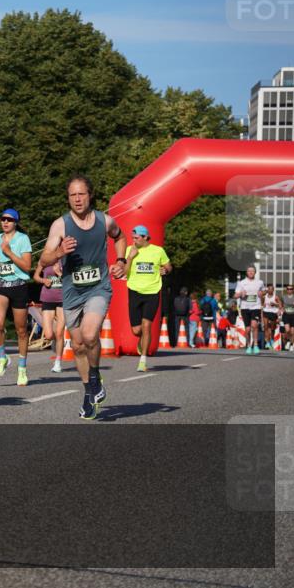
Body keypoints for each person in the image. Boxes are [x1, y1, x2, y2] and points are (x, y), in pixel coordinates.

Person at [39, 175, 127, 420]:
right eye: (72, 195)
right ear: (68, 199)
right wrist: (59, 252)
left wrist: (121, 261)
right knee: (77, 347)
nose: (77, 199)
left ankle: (96, 377)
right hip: (71, 292)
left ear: (90, 195)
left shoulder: (104, 221)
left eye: (81, 194)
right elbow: (44, 259)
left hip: (98, 287)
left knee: (89, 335)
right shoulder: (61, 225)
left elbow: (120, 237)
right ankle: (90, 393)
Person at [0, 209, 33, 385]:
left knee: (21, 330)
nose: (5, 222)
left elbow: (27, 266)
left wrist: (9, 254)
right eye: (3, 219)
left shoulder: (22, 239)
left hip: (19, 286)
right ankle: (2, 358)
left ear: (16, 222)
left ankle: (22, 368)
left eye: (9, 220)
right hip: (0, 285)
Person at [125, 225, 171, 371]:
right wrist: (131, 257)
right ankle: (141, 340)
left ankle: (143, 361)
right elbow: (125, 272)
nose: (133, 240)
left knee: (146, 326)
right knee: (136, 330)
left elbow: (169, 266)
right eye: (132, 238)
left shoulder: (158, 251)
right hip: (134, 291)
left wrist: (166, 270)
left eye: (136, 238)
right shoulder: (129, 250)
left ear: (145, 237)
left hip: (153, 292)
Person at [33, 259, 66, 373]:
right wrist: (43, 280)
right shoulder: (45, 259)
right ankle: (57, 340)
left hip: (63, 299)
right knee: (48, 334)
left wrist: (59, 274)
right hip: (47, 298)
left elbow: (71, 280)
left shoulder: (66, 259)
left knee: (60, 333)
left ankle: (58, 362)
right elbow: (35, 276)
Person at [234, 266, 265, 355]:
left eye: (252, 271)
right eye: (249, 271)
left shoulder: (260, 282)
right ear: (246, 273)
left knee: (254, 325)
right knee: (247, 329)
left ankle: (255, 345)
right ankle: (248, 345)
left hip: (256, 307)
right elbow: (235, 295)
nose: (251, 272)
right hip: (245, 307)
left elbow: (264, 291)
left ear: (255, 272)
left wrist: (261, 293)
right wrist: (240, 294)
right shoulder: (242, 283)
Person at [262, 284, 281, 350]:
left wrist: (275, 304)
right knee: (266, 326)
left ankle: (272, 339)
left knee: (272, 328)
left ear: (273, 290)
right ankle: (267, 342)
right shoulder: (264, 297)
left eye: (271, 289)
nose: (270, 290)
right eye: (269, 289)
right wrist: (263, 305)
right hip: (266, 312)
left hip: (273, 313)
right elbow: (261, 304)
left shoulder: (276, 297)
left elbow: (280, 306)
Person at [282, 284, 294, 352]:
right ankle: (287, 341)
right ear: (286, 290)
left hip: (293, 315)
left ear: (293, 290)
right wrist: (281, 309)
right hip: (286, 315)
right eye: (288, 289)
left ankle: (292, 344)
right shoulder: (283, 297)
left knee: (293, 332)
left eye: (291, 289)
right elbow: (281, 305)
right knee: (287, 330)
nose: (290, 290)